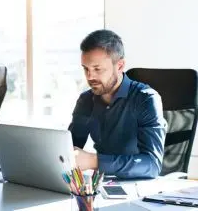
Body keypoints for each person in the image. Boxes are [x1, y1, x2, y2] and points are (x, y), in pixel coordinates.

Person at [69, 29, 167, 179]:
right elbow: (69, 149)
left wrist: (94, 161)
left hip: (141, 187)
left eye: (97, 69)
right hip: (101, 184)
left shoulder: (146, 99)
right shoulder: (85, 100)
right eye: (86, 69)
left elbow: (152, 165)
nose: (90, 76)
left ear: (120, 66)